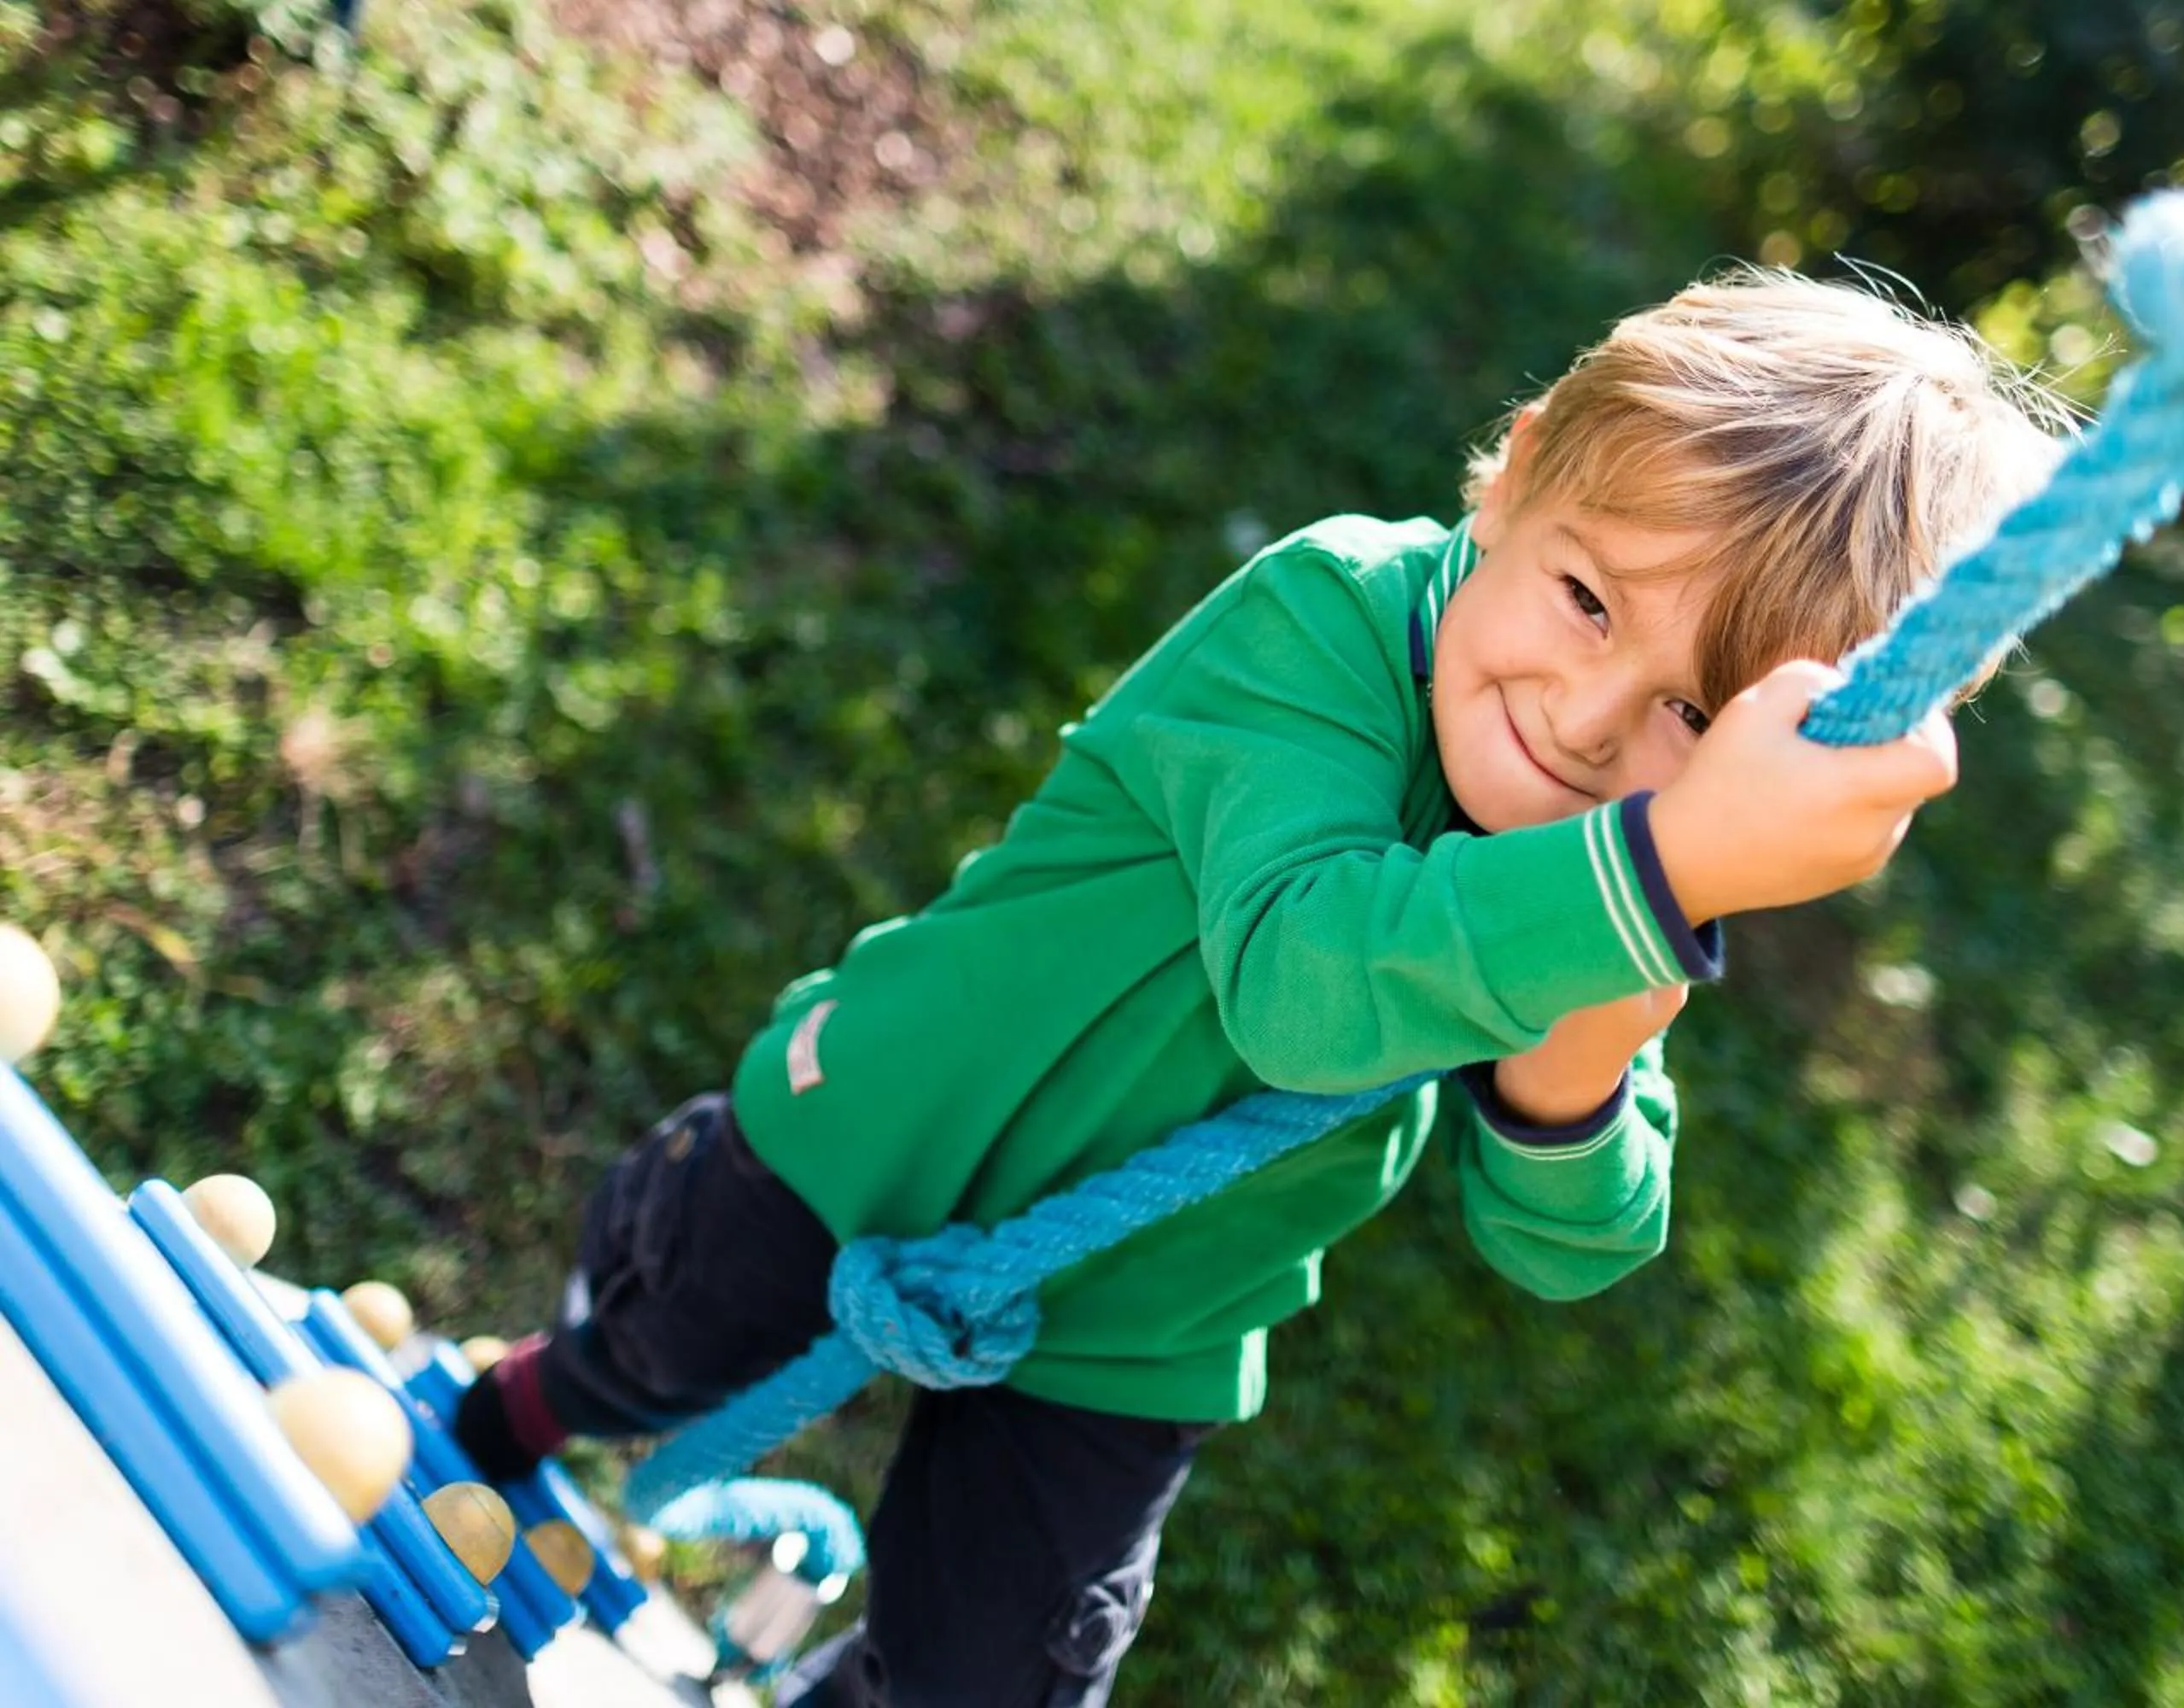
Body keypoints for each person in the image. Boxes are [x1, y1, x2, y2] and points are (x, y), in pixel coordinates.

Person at [451, 268, 2062, 1705]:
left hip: (1145, 1315)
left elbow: (1563, 1243)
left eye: (1693, 718)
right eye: (1588, 601)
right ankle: (517, 1405)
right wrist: (1645, 875)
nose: (1587, 719)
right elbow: (1304, 974)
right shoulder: (1327, 621)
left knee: (993, 1671)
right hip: (873, 1127)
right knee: (655, 1361)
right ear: (1508, 482)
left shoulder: (1614, 888)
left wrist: (1584, 1055)